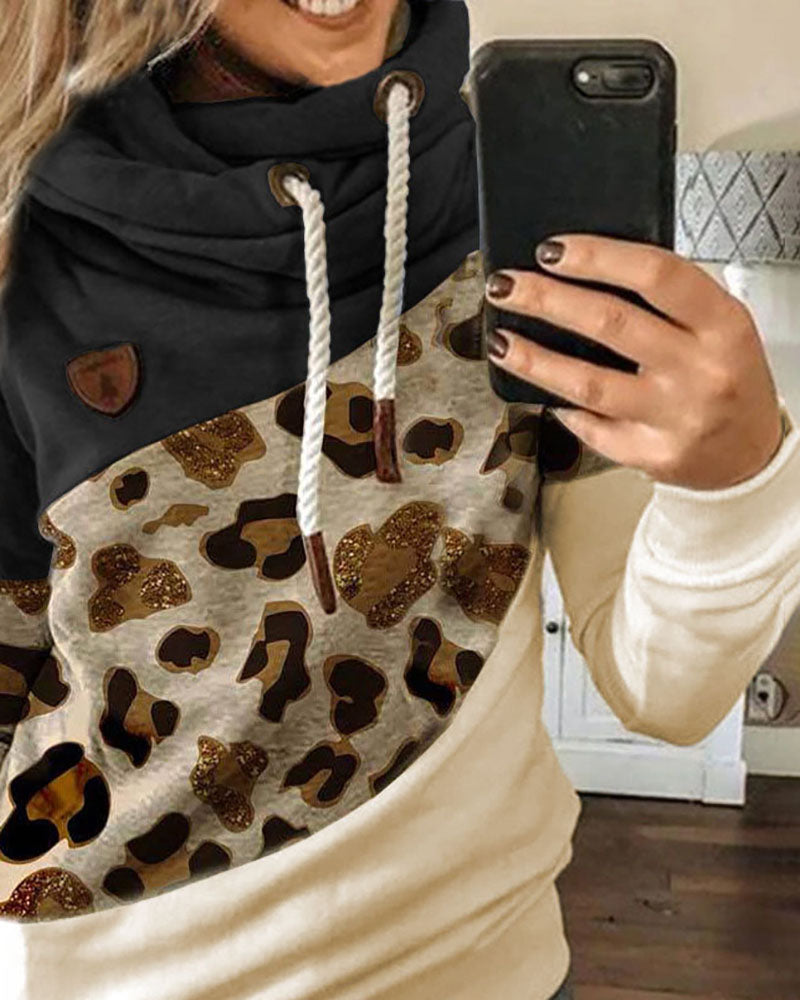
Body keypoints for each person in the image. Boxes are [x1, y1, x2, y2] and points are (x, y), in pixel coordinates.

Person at [0, 1, 798, 998]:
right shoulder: (21, 221)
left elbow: (667, 694)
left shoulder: (523, 203)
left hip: (490, 968)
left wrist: (733, 480)